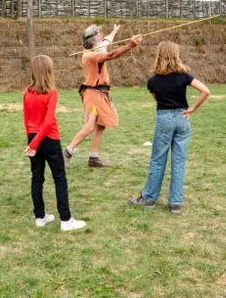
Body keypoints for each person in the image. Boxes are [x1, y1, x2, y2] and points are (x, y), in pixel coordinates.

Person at [128, 41, 210, 214]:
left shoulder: (153, 81)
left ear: (159, 55)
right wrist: (193, 109)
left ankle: (149, 199)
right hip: (182, 118)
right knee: (179, 162)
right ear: (176, 55)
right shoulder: (185, 76)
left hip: (164, 118)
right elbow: (205, 91)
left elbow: (156, 99)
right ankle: (175, 203)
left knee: (158, 160)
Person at [63, 25, 143, 167]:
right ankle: (67, 153)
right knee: (89, 126)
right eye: (99, 35)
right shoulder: (91, 55)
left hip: (99, 94)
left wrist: (114, 31)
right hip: (94, 94)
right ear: (93, 39)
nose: (102, 37)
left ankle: (93, 158)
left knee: (101, 125)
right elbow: (111, 55)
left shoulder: (96, 48)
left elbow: (107, 41)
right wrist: (130, 46)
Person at [23, 55, 86, 231]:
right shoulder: (51, 92)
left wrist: (31, 141)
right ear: (49, 71)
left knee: (37, 178)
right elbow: (48, 122)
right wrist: (34, 144)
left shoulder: (28, 92)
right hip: (48, 139)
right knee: (59, 178)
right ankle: (65, 220)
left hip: (34, 139)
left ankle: (40, 217)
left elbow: (26, 121)